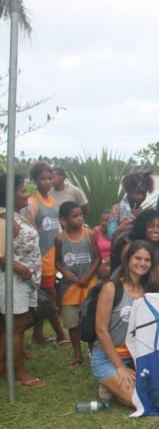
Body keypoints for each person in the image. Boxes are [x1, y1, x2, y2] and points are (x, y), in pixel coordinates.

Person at [91, 240, 156, 408]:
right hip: (107, 358)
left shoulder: (148, 291)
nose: (142, 263)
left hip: (134, 358)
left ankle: (113, 387)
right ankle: (110, 380)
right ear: (127, 260)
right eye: (137, 258)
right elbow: (101, 330)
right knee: (138, 400)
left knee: (155, 392)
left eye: (147, 260)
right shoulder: (111, 288)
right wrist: (119, 367)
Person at [0, 172, 45, 387]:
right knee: (16, 326)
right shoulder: (3, 217)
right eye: (22, 191)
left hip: (26, 280)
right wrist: (18, 267)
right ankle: (20, 373)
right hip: (13, 280)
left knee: (22, 321)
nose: (26, 195)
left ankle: (3, 362)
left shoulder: (16, 214)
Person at [22, 162, 69, 345]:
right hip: (39, 256)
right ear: (35, 180)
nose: (47, 182)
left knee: (46, 295)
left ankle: (38, 334)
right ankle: (60, 334)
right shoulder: (32, 203)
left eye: (50, 178)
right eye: (43, 178)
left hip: (52, 254)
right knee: (49, 295)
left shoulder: (52, 201)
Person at [54, 201, 100, 367]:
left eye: (81, 215)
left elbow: (97, 258)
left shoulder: (89, 234)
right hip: (70, 288)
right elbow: (58, 261)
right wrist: (64, 272)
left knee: (89, 321)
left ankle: (93, 353)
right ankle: (77, 354)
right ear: (64, 220)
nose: (79, 219)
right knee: (72, 323)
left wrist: (88, 275)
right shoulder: (60, 238)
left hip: (89, 284)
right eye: (75, 216)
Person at [107, 170, 155, 237]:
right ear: (128, 191)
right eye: (137, 193)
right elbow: (111, 234)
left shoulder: (142, 212)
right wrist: (131, 221)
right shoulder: (116, 209)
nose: (140, 197)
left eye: (143, 193)